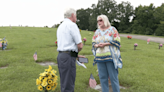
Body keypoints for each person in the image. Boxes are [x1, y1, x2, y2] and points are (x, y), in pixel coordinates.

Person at [92, 14, 123, 92]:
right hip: (99, 58)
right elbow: (93, 43)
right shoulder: (97, 31)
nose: (99, 22)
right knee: (102, 78)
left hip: (110, 57)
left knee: (113, 78)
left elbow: (117, 41)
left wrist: (106, 44)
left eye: (101, 20)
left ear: (105, 20)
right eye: (98, 21)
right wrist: (97, 45)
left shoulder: (112, 29)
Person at [56, 8, 85, 92]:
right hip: (68, 57)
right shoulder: (72, 25)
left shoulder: (60, 26)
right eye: (76, 16)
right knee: (68, 84)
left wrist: (75, 55)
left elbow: (65, 44)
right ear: (73, 15)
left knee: (64, 82)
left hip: (61, 56)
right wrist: (76, 53)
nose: (76, 18)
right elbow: (79, 45)